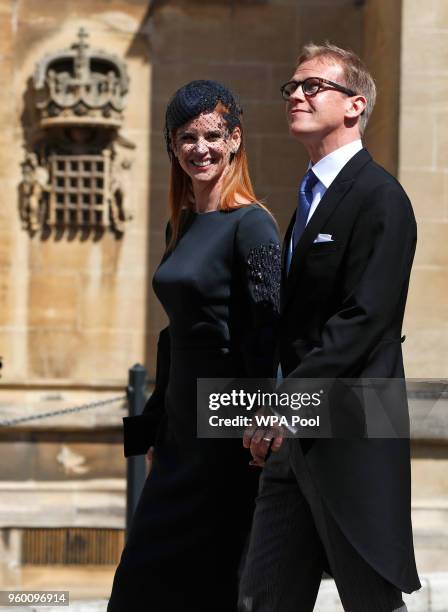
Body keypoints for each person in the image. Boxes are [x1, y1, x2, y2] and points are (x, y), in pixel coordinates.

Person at [239, 43, 421, 612]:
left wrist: (283, 404)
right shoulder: (309, 198)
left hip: (351, 426)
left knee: (369, 599)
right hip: (293, 435)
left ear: (354, 105)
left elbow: (365, 319)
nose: (295, 94)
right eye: (291, 87)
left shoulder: (380, 197)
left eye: (312, 86)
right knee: (262, 597)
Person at [107, 80, 281, 612]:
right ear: (172, 146)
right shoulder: (179, 224)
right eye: (186, 137)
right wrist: (160, 423)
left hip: (227, 427)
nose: (199, 148)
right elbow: (175, 336)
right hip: (181, 425)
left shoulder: (253, 224)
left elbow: (265, 329)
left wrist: (263, 412)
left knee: (210, 580)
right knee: (142, 581)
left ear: (234, 139)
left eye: (212, 134)